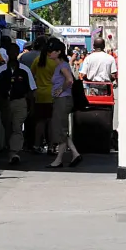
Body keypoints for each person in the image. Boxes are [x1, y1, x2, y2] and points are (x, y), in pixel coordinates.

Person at [0, 43, 36, 165]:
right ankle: (10, 148)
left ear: (17, 53)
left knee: (17, 127)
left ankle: (14, 152)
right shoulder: (1, 70)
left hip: (20, 101)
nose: (12, 54)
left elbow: (31, 89)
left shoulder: (25, 70)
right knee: (8, 127)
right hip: (6, 102)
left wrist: (31, 106)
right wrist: (2, 101)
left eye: (14, 52)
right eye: (10, 51)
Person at [48, 40, 83, 168]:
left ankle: (59, 159)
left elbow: (69, 80)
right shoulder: (61, 65)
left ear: (58, 52)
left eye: (51, 51)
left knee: (60, 129)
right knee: (61, 128)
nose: (49, 53)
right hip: (62, 99)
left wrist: (60, 90)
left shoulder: (63, 66)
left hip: (63, 99)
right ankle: (74, 154)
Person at [28, 38, 57, 154]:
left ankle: (36, 145)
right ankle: (50, 146)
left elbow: (32, 74)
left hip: (39, 94)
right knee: (50, 121)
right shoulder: (54, 62)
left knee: (40, 121)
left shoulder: (37, 60)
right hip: (51, 94)